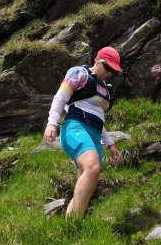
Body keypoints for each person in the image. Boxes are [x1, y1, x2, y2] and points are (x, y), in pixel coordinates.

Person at [43, 46, 123, 216]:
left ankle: (71, 223)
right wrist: (52, 124)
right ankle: (74, 223)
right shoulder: (80, 73)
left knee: (88, 180)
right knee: (92, 167)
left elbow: (98, 118)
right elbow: (60, 97)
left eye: (113, 71)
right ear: (96, 60)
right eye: (107, 67)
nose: (109, 73)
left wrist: (110, 145)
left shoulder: (106, 90)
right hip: (75, 127)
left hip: (94, 135)